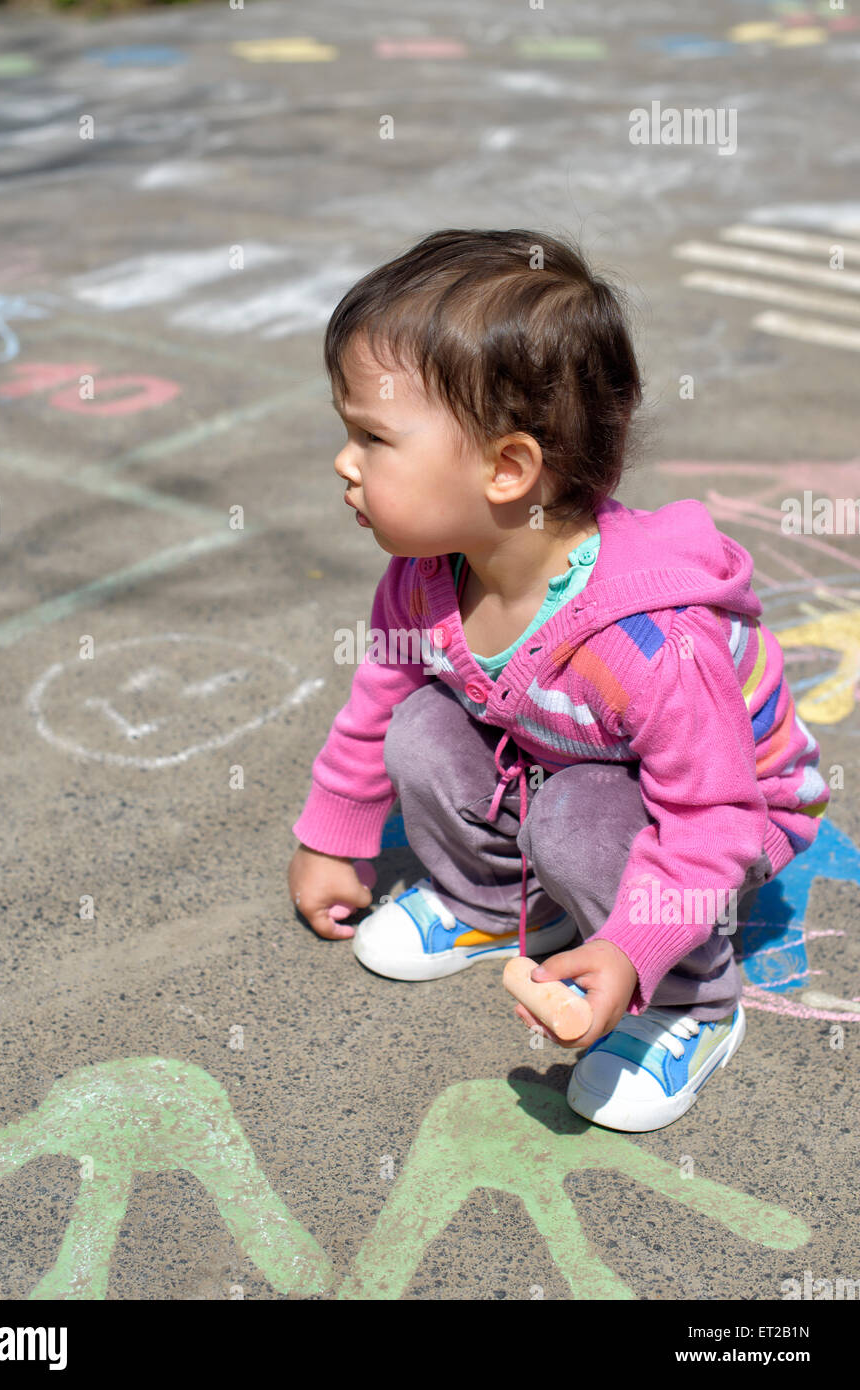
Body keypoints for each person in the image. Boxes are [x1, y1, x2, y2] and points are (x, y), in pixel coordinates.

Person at [287, 228, 829, 1133]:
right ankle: (493, 901)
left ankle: (693, 1002)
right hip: (567, 753)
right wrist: (336, 833)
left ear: (508, 469)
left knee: (578, 815)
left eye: (372, 437)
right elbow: (377, 698)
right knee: (421, 724)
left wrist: (630, 952)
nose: (345, 462)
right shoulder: (428, 574)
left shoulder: (654, 643)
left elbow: (714, 820)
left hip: (728, 812)